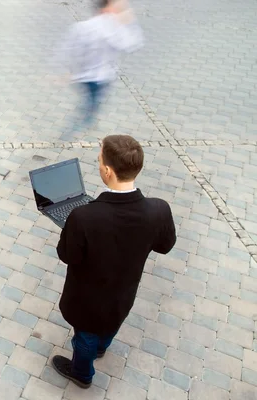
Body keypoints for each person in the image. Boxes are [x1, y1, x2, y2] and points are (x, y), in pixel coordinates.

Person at [52, 134, 176, 388]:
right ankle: (101, 348)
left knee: (84, 337)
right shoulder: (159, 209)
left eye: (98, 161)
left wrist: (73, 229)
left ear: (107, 171)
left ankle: (82, 374)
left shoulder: (83, 216)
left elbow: (67, 256)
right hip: (123, 294)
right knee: (110, 325)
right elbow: (165, 246)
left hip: (87, 300)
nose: (98, 164)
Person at [58, 0, 143, 134]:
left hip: (85, 77)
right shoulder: (112, 28)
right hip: (100, 78)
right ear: (107, 8)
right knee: (91, 104)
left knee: (91, 102)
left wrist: (69, 71)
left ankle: (83, 122)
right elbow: (131, 44)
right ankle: (78, 127)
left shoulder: (83, 27)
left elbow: (70, 50)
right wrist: (130, 21)